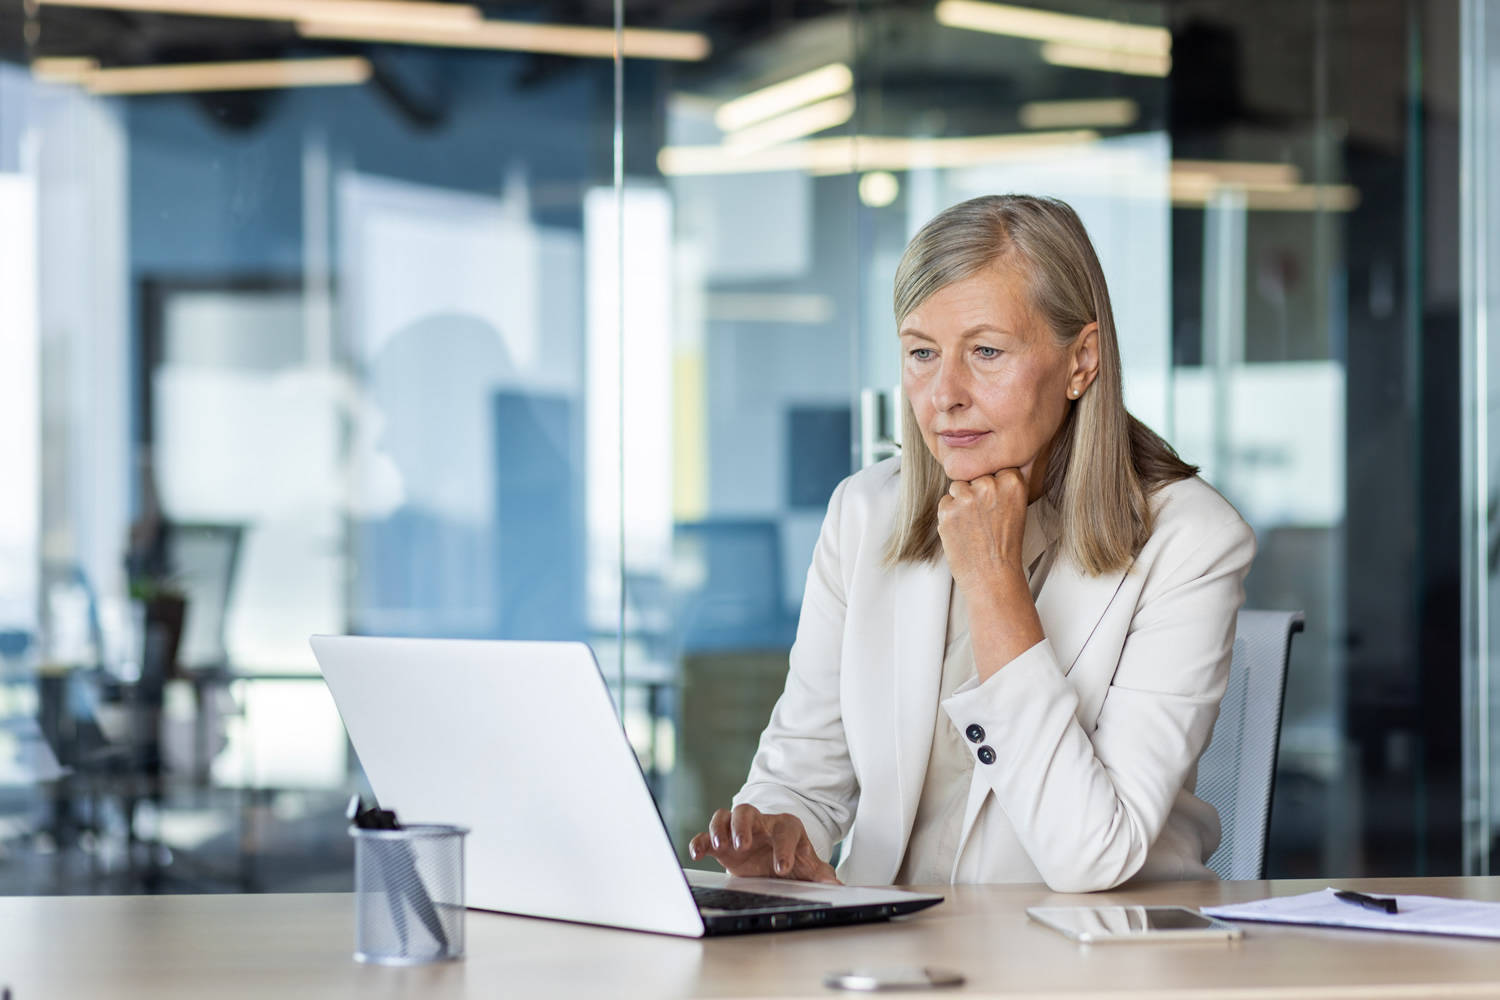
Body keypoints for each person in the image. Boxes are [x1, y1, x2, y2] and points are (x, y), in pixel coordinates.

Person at [687, 194, 1256, 891]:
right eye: (922, 353)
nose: (944, 393)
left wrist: (994, 584)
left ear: (1082, 360)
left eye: (986, 351)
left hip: (1088, 958)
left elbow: (1092, 857)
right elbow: (802, 775)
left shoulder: (1192, 541)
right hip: (890, 954)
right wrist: (779, 836)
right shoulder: (864, 514)